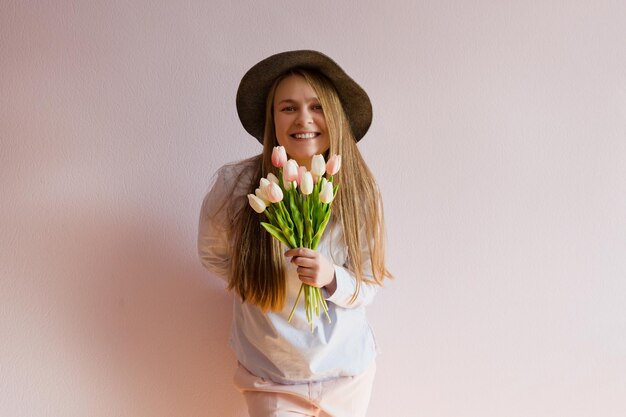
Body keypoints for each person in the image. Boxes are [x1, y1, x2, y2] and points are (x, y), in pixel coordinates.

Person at [198, 50, 391, 417]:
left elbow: (369, 282)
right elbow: (213, 254)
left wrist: (331, 277)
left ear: (334, 115)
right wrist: (257, 277)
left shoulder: (358, 192)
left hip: (346, 370)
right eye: (288, 108)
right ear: (272, 118)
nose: (304, 119)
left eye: (317, 106)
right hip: (271, 374)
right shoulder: (235, 186)